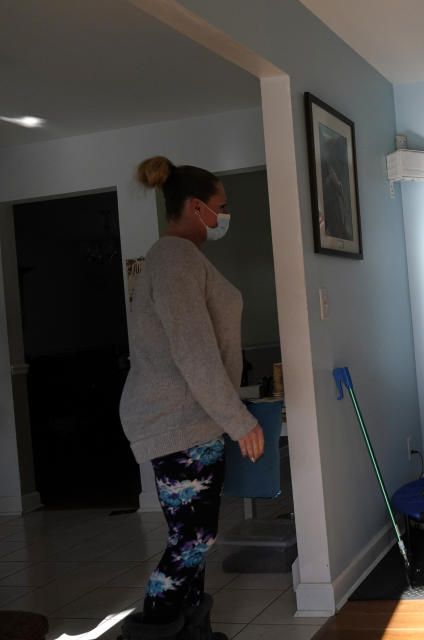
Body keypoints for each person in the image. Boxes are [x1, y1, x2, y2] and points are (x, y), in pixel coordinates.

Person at [118, 156, 264, 640]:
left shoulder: (180, 258)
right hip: (177, 419)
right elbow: (192, 349)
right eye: (221, 207)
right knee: (192, 538)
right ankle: (153, 631)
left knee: (196, 540)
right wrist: (239, 419)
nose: (225, 215)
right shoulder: (174, 257)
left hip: (191, 418)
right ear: (197, 207)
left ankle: (193, 633)